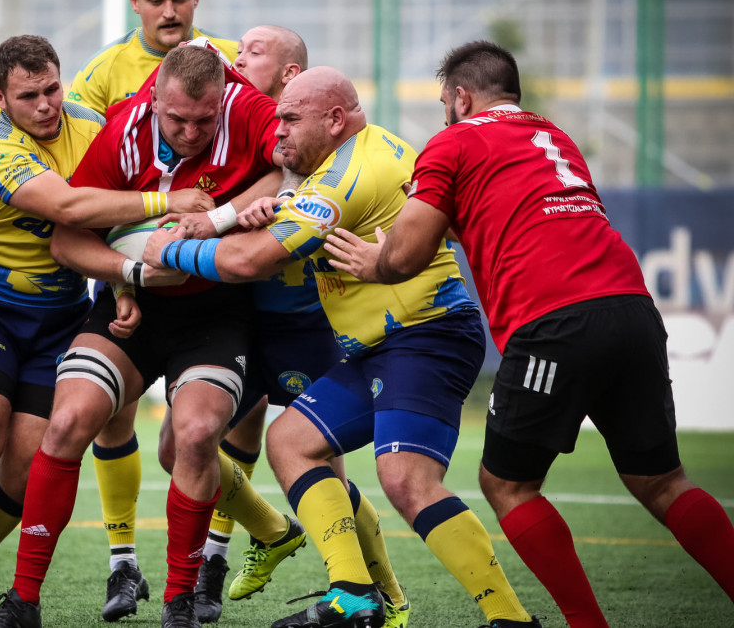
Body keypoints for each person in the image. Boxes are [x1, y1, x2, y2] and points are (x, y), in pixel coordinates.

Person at [323, 40, 734, 627]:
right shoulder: (554, 137)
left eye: (445, 102)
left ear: (461, 96)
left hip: (555, 322)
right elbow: (514, 220)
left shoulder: (455, 140)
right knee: (664, 481)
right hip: (633, 309)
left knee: (507, 484)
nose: (443, 113)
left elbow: (407, 253)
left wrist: (375, 263)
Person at [143, 66, 540, 628]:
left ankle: (510, 619)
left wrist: (169, 250)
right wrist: (263, 212)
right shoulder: (368, 153)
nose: (276, 131)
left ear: (334, 119)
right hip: (383, 345)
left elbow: (255, 261)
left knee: (406, 478)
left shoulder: (341, 178)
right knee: (290, 441)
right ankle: (353, 596)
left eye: (289, 118)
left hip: (425, 335)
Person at [0, 43, 298, 628]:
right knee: (70, 419)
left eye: (205, 120)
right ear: (153, 100)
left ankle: (179, 605)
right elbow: (67, 241)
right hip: (133, 306)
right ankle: (23, 600)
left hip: (217, 314)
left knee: (196, 435)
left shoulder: (247, 107)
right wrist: (130, 273)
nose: (192, 131)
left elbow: (292, 167)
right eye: (177, 119)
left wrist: (218, 218)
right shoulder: (123, 129)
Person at [0, 35, 213, 628]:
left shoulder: (92, 122)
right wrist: (169, 200)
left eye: (52, 88)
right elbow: (74, 209)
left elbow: (111, 219)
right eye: (29, 96)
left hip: (60, 317)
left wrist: (123, 284)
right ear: (1, 97)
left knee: (27, 467)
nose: (47, 105)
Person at [174, 25, 409, 628]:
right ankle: (266, 536)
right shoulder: (240, 133)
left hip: (308, 329)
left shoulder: (324, 152)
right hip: (245, 323)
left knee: (323, 471)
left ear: (290, 77)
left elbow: (303, 213)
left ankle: (382, 593)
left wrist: (258, 213)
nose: (234, 59)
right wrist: (237, 213)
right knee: (188, 441)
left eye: (251, 53)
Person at [64, 0, 240, 618]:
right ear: (135, 1)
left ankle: (213, 559)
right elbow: (87, 185)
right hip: (128, 275)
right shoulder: (101, 77)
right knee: (110, 411)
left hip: (221, 284)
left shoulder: (230, 63)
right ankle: (123, 563)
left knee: (227, 424)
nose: (169, 10)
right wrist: (130, 268)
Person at [66, 0, 238, 117]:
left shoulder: (235, 59)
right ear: (135, 2)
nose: (169, 13)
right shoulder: (98, 73)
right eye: (156, 1)